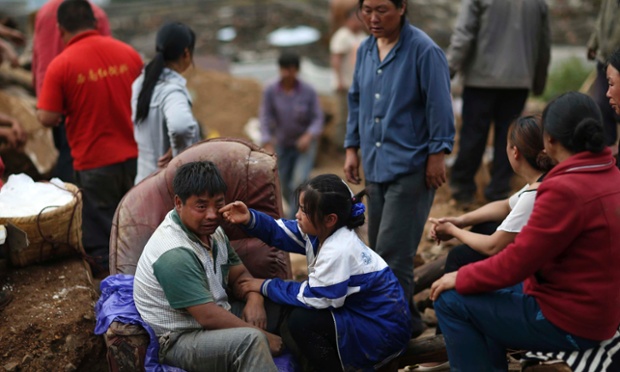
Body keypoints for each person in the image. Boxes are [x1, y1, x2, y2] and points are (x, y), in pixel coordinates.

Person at [430, 92, 620, 371]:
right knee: (480, 289)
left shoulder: (563, 190)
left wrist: (459, 277)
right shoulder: (610, 174)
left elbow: (514, 263)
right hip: (596, 308)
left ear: (550, 141)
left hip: (570, 320)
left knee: (450, 300)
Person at [220, 174, 411, 371]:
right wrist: (250, 218)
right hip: (369, 313)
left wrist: (264, 285)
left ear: (330, 219)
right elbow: (281, 231)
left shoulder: (338, 249)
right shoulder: (322, 232)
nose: (297, 215)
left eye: (304, 210)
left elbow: (316, 297)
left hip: (381, 329)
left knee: (301, 321)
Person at [344, 0, 455, 337]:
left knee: (395, 254)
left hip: (411, 166)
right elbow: (356, 100)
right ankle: (407, 321)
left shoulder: (424, 50)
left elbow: (439, 103)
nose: (373, 19)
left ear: (402, 7)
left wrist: (438, 153)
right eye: (367, 11)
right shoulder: (365, 49)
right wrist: (352, 147)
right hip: (376, 165)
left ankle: (398, 328)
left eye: (382, 10)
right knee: (377, 253)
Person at [133, 161, 283, 371]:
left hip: (216, 314)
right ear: (179, 203)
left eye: (218, 204)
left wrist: (255, 299)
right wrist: (266, 337)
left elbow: (240, 276)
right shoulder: (174, 253)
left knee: (284, 306)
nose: (212, 214)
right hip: (180, 339)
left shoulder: (212, 232)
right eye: (201, 206)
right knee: (251, 340)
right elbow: (207, 316)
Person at [36, 0, 143, 273]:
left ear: (60, 29)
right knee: (135, 226)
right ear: (95, 22)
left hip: (95, 163)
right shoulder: (128, 54)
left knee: (103, 240)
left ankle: (116, 291)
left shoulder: (61, 66)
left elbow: (48, 117)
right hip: (136, 157)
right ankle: (143, 278)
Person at [448, 0, 551, 204]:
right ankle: (499, 190)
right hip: (519, 79)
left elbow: (464, 34)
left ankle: (462, 189)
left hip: (481, 78)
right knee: (511, 137)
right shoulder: (538, 3)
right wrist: (538, 80)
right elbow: (543, 43)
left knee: (473, 135)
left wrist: (448, 69)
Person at [429, 116, 554, 273]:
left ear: (515, 152)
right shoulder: (545, 179)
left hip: (540, 273)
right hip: (540, 258)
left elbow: (492, 246)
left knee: (458, 256)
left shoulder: (534, 195)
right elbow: (505, 205)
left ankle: (453, 296)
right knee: (485, 227)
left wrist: (452, 231)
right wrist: (460, 221)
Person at [32, 0, 111, 183]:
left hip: (59, 108)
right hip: (95, 106)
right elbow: (107, 59)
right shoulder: (97, 14)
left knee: (70, 163)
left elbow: (41, 64)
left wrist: (44, 103)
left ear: (61, 29)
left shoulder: (45, 14)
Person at [132, 22, 200, 184]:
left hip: (143, 182)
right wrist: (179, 152)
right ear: (186, 53)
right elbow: (181, 126)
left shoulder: (141, 83)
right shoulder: (171, 90)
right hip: (167, 186)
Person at [259, 52, 324, 218]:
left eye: (291, 69)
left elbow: (318, 118)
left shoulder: (308, 91)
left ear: (297, 70)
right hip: (283, 143)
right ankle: (301, 211)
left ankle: (296, 221)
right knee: (282, 183)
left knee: (299, 181)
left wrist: (309, 136)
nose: (288, 73)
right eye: (284, 69)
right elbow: (265, 116)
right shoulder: (271, 90)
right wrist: (266, 140)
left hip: (304, 145)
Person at [330, 8, 366, 151]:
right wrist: (339, 80)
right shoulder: (342, 36)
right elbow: (336, 59)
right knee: (343, 116)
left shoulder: (362, 36)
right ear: (348, 19)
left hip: (359, 85)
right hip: (345, 84)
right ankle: (341, 147)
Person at [588, 0, 620, 152]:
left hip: (617, 60)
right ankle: (608, 148)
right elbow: (601, 20)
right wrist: (593, 43)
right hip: (604, 59)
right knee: (603, 102)